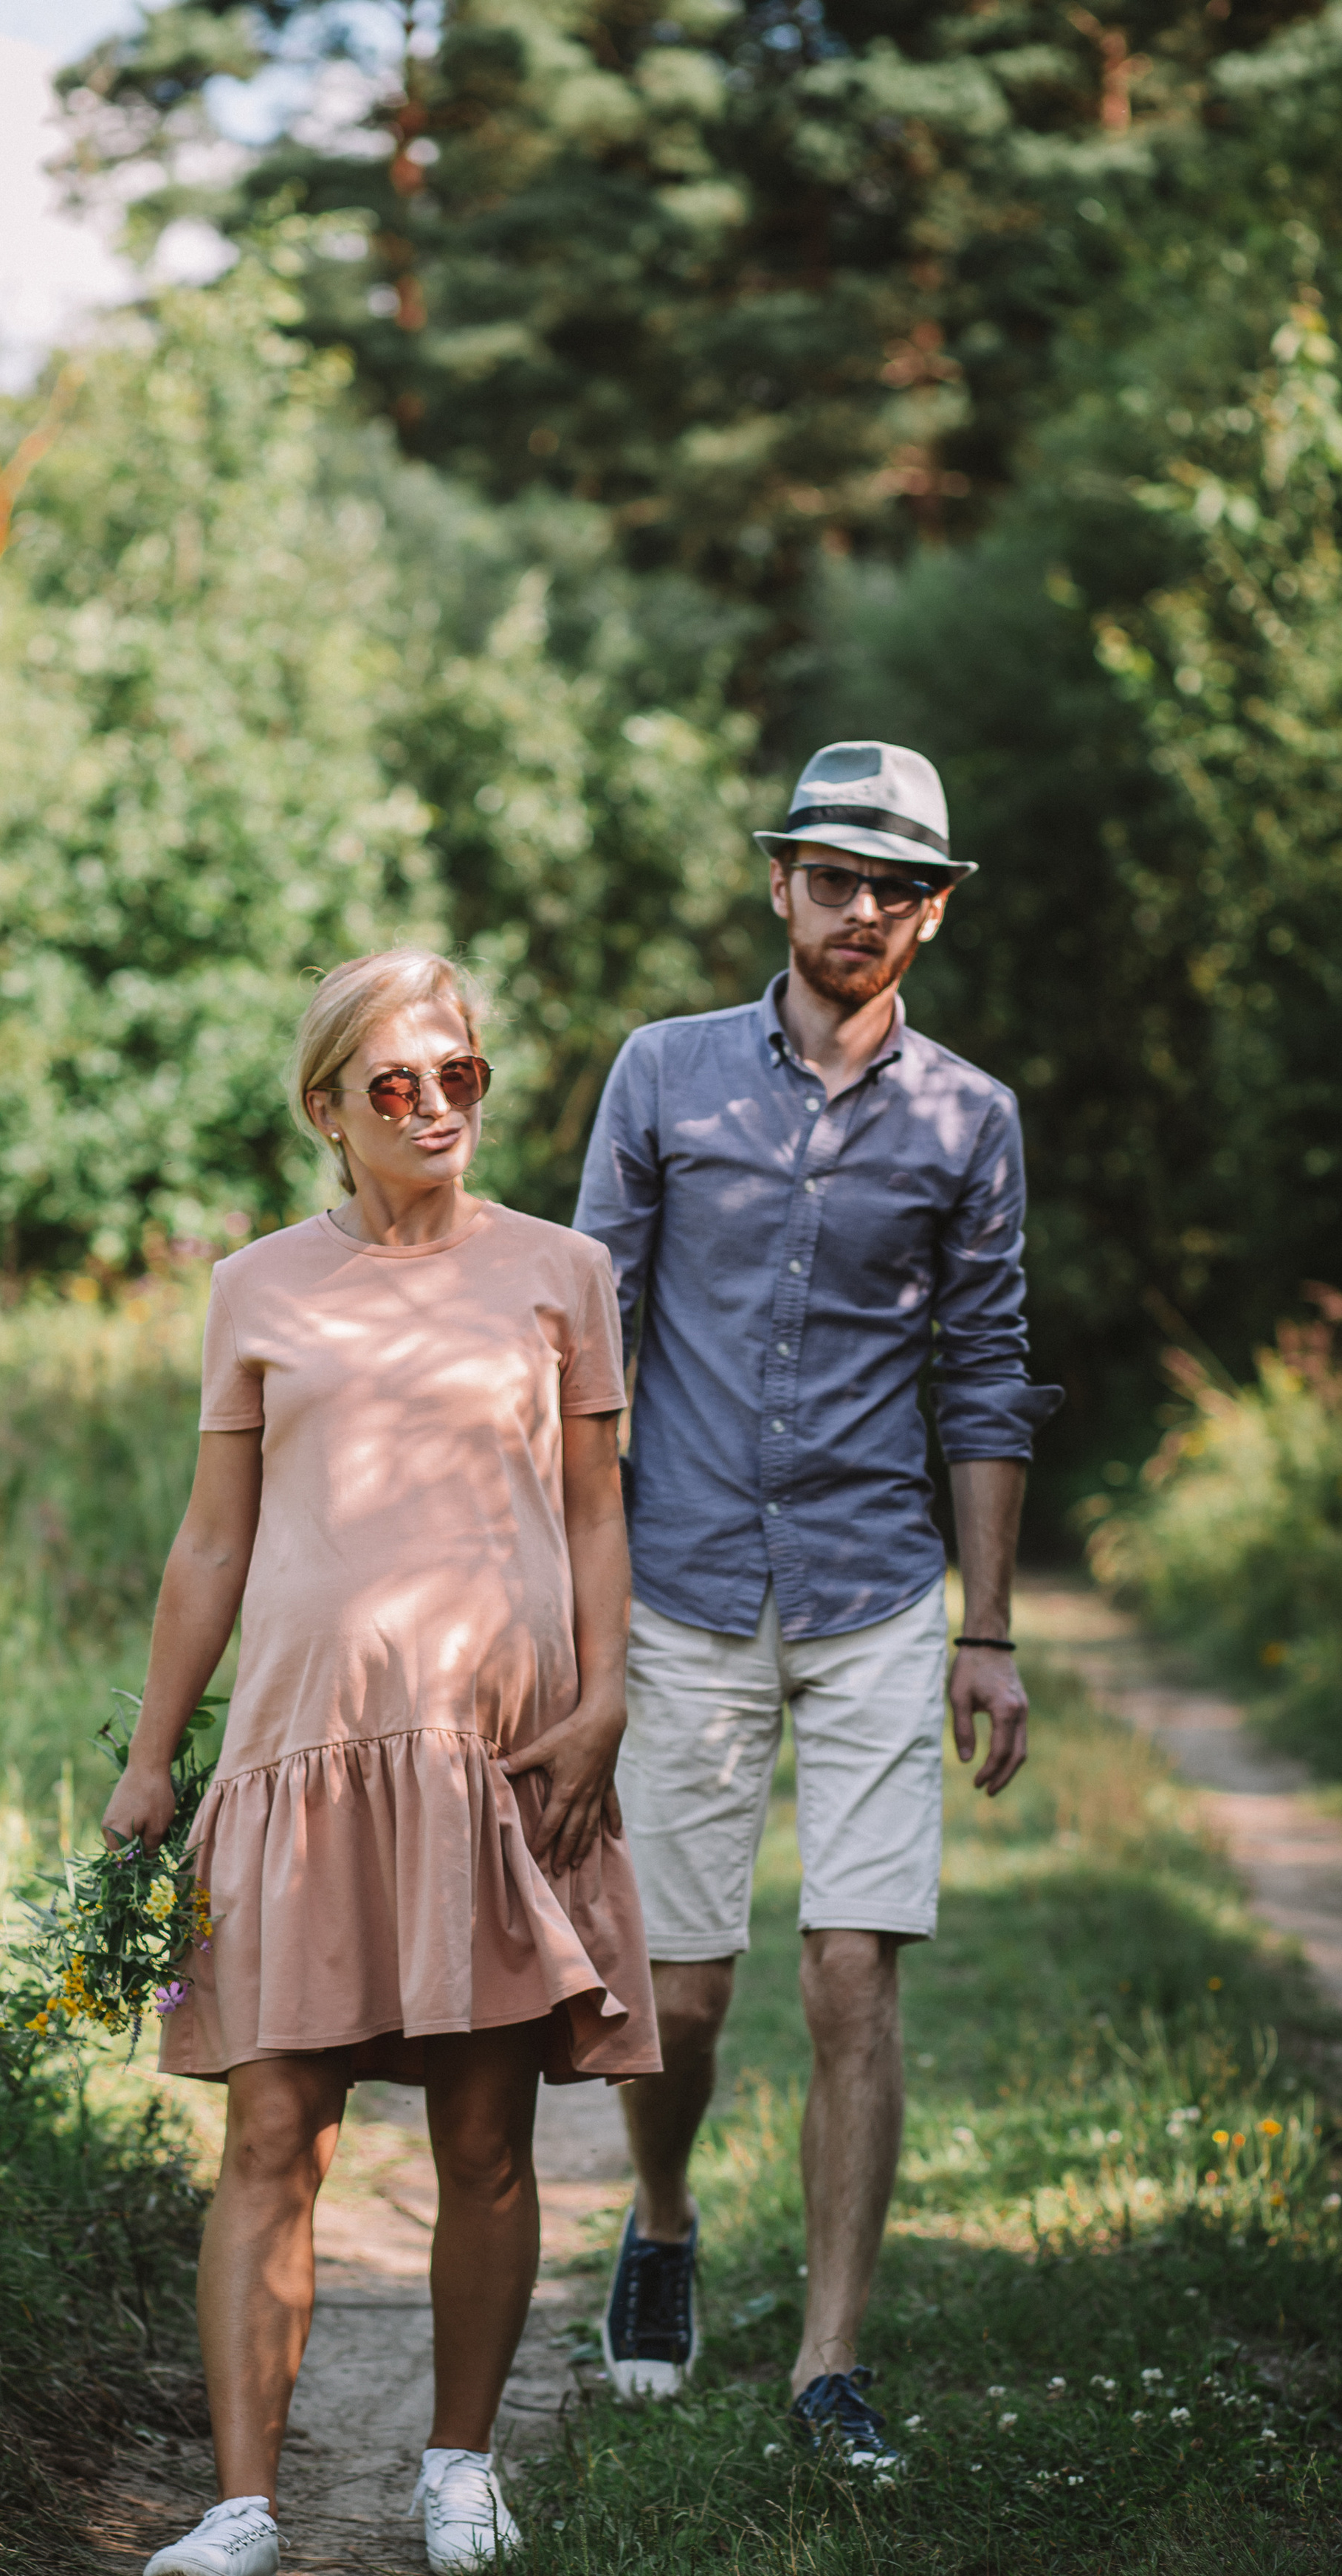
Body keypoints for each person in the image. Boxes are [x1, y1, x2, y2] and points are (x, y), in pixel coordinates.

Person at [102, 947, 661, 2576]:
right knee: (274, 2129)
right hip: (292, 1758)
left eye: (461, 1077)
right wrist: (149, 1761)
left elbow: (590, 1515)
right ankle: (242, 2513)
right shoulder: (256, 1288)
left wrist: (607, 1697)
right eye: (396, 1085)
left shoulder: (560, 1272)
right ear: (327, 1111)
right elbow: (214, 1539)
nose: (435, 1109)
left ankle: (458, 2466)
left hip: (492, 1761)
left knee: (486, 2136)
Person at [574, 740, 1061, 2468]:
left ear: (927, 916)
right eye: (832, 877)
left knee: (853, 1976)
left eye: (895, 888)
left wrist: (984, 1631)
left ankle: (827, 2367)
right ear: (778, 883)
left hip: (869, 1591)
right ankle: (662, 2218)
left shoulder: (968, 1117)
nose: (860, 911)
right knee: (680, 2000)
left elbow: (984, 1371)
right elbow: (589, 1345)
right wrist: (566, 1594)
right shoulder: (659, 1075)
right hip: (684, 1585)